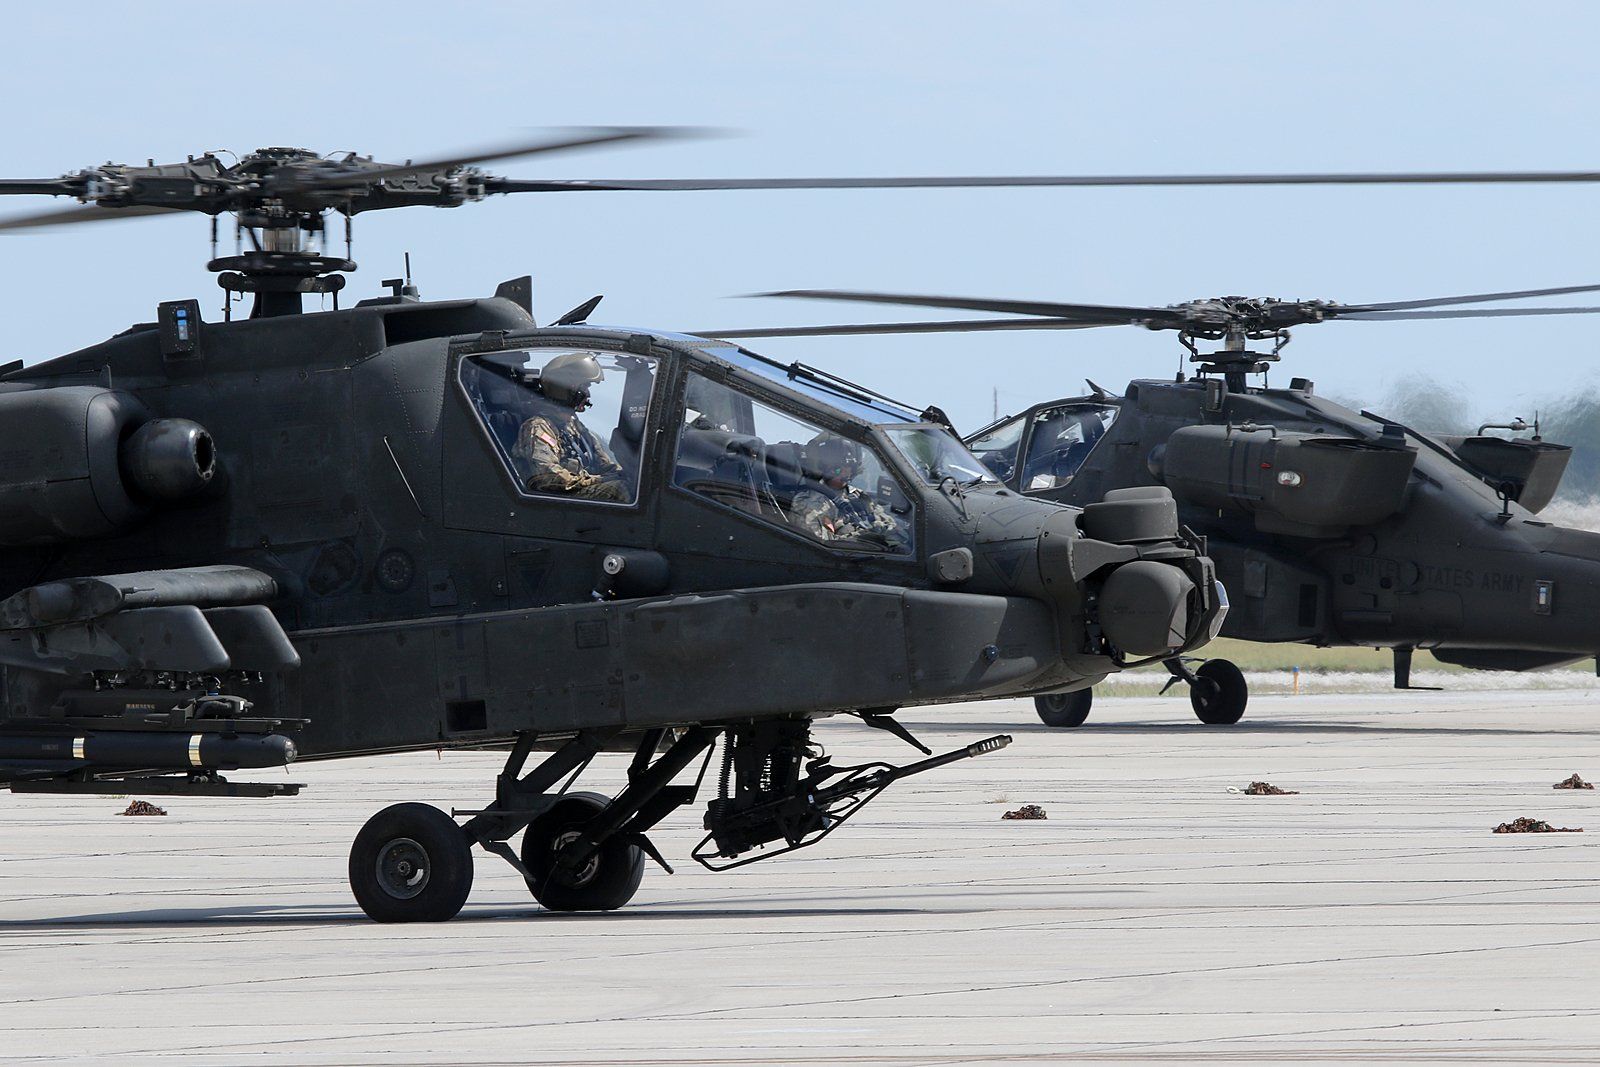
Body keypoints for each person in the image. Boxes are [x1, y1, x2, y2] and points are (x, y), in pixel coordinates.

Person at [513, 353, 628, 502]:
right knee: (620, 489)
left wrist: (625, 474)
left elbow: (605, 465)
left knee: (632, 485)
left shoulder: (575, 427)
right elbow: (548, 477)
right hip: (555, 503)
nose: (588, 394)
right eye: (584, 387)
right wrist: (596, 480)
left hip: (576, 498)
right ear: (563, 388)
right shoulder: (538, 427)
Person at [791, 433, 904, 549]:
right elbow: (818, 547)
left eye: (849, 467)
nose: (845, 472)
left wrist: (884, 531)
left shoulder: (860, 497)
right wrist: (861, 539)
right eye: (837, 469)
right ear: (824, 468)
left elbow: (892, 526)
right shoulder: (810, 503)